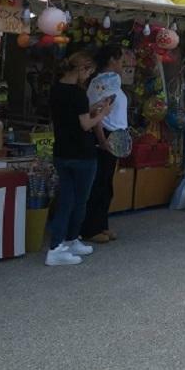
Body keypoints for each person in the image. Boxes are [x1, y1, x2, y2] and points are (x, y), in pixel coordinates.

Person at [46, 50, 112, 266]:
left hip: (62, 151)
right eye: (89, 72)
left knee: (67, 198)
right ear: (83, 68)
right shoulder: (77, 93)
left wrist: (91, 108)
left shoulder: (56, 90)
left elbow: (72, 116)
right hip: (82, 153)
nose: (89, 77)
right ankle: (57, 247)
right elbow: (85, 124)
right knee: (76, 201)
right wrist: (102, 113)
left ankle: (70, 240)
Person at [81, 44, 129, 245]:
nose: (122, 64)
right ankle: (91, 228)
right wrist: (102, 140)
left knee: (105, 182)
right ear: (112, 60)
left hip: (114, 134)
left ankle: (101, 225)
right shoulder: (107, 82)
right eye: (120, 60)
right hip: (106, 135)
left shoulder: (108, 82)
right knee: (100, 183)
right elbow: (97, 113)